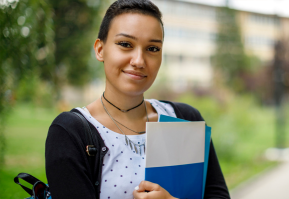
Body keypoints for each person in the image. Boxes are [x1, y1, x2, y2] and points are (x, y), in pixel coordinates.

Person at [45, 0, 230, 198]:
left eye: (152, 48)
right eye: (125, 44)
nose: (139, 61)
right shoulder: (71, 133)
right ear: (100, 49)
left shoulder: (184, 118)